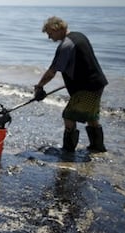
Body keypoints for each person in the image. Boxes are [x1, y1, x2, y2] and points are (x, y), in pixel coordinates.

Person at [34, 16, 108, 153]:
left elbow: (52, 72)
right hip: (97, 82)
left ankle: (68, 150)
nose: (50, 38)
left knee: (69, 115)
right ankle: (97, 147)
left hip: (87, 87)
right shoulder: (79, 36)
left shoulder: (66, 45)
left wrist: (39, 86)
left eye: (50, 34)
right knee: (91, 116)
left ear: (56, 29)